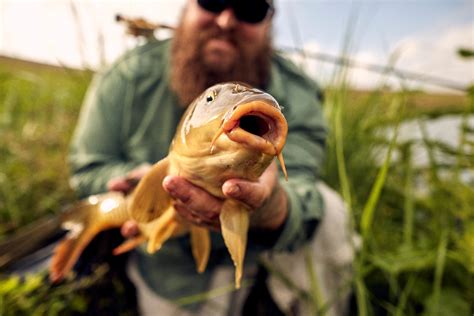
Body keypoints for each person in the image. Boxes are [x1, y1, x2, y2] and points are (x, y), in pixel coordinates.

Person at [69, 0, 355, 315]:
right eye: (213, 1)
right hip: (172, 261)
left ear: (269, 21)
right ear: (187, 6)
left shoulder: (297, 91)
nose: (226, 20)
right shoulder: (129, 73)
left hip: (271, 244)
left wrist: (272, 207)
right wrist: (137, 183)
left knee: (331, 212)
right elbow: (89, 168)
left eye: (250, 10)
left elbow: (302, 184)